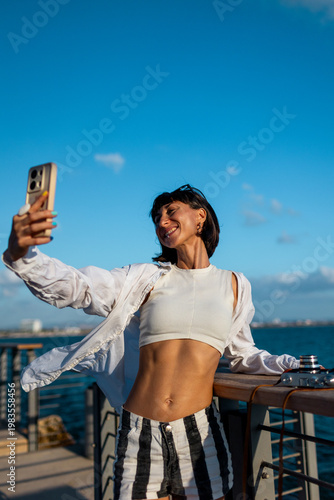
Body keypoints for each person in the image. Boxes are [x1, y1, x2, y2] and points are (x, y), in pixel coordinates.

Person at [3, 185, 299, 500]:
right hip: (139, 432)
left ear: (200, 217)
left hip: (200, 434)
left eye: (171, 211)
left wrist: (292, 366)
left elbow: (242, 355)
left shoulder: (235, 285)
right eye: (157, 217)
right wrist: (23, 255)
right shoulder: (147, 278)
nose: (162, 221)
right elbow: (81, 287)